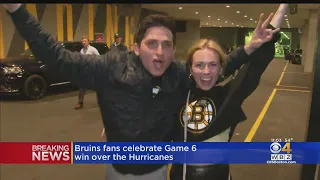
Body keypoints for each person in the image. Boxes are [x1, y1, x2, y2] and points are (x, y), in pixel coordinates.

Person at [3, 4, 280, 180]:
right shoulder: (108, 68)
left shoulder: (178, 74)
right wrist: (18, 10)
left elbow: (213, 68)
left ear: (173, 50)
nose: (159, 52)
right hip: (117, 171)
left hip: (159, 172)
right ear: (136, 47)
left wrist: (251, 47)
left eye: (166, 45)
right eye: (151, 43)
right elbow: (56, 57)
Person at [169, 4, 288, 180]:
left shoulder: (228, 96)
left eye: (213, 65)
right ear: (190, 69)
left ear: (221, 69)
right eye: (199, 65)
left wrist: (270, 29)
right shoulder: (177, 94)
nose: (207, 72)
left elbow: (255, 67)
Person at [74, 36, 100, 109]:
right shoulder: (82, 51)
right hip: (85, 72)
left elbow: (99, 58)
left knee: (99, 88)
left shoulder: (93, 49)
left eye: (85, 41)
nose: (83, 42)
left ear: (88, 42)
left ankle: (103, 102)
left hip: (94, 72)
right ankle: (80, 103)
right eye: (82, 41)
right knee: (82, 88)